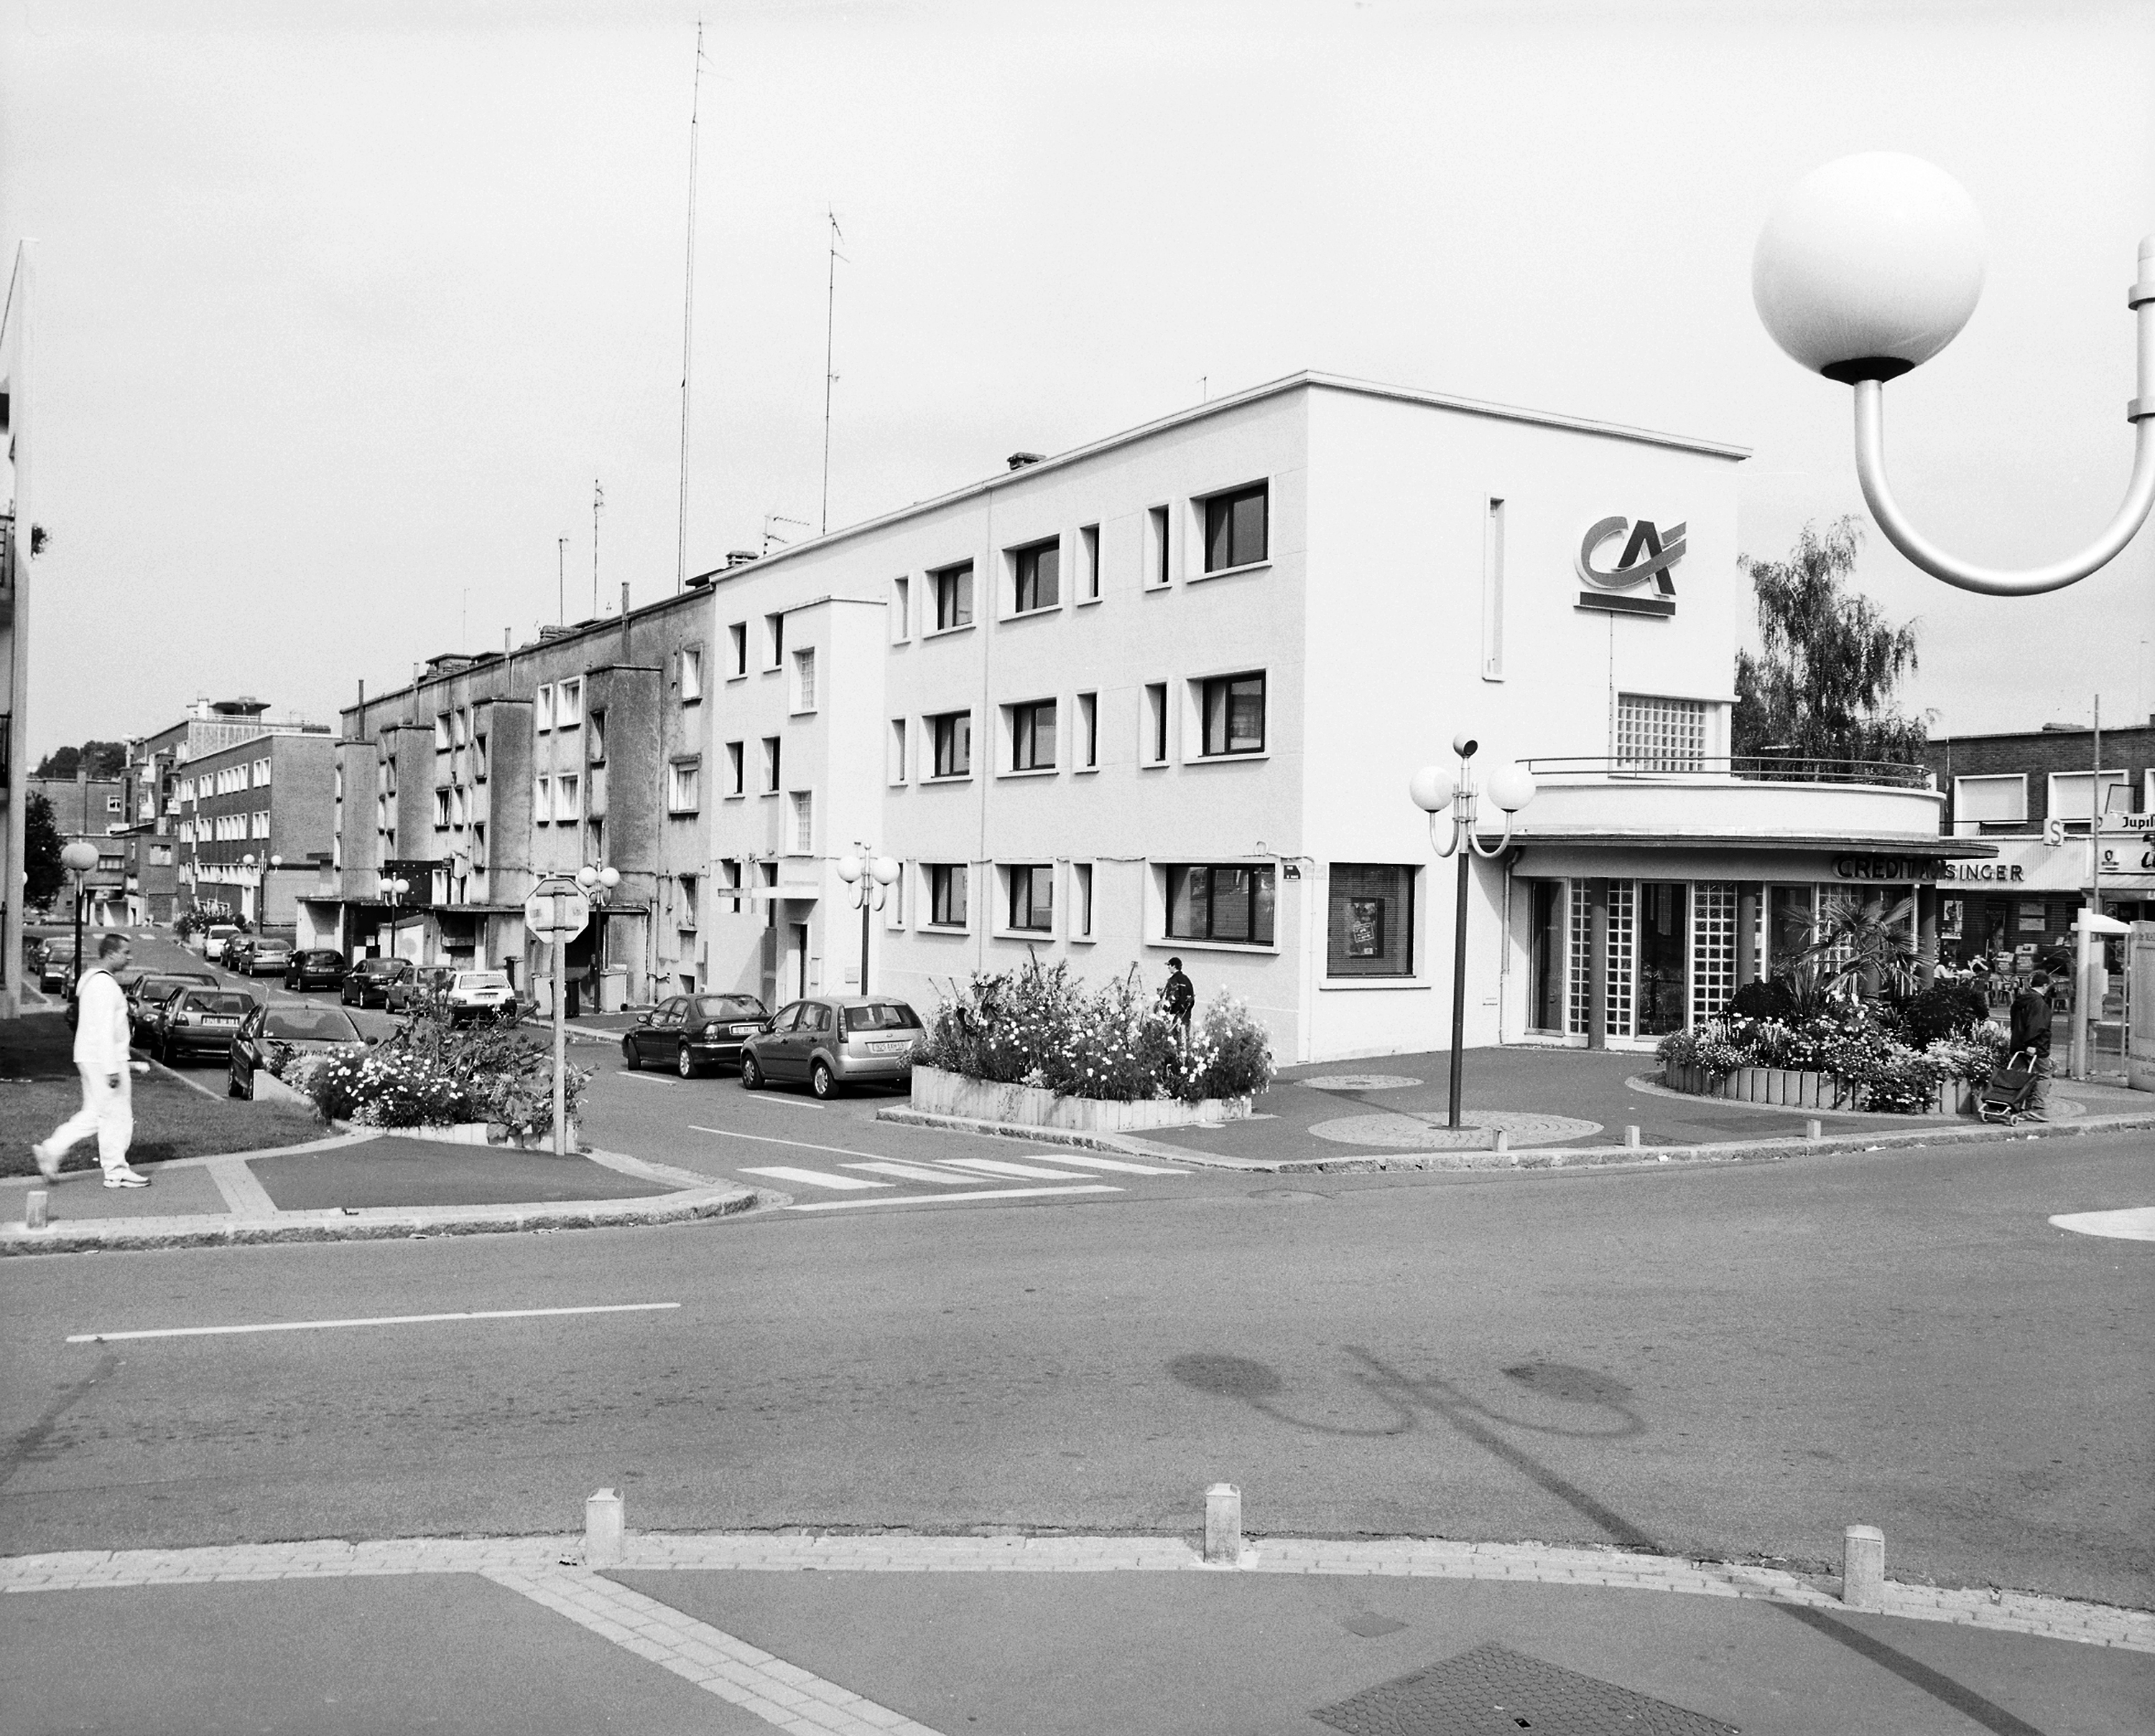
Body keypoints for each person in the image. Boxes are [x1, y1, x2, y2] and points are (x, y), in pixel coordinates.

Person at [33, 933, 150, 1188]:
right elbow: (105, 1029)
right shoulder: (105, 985)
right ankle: (116, 1170)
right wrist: (112, 1069)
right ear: (110, 953)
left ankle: (52, 1150)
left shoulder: (92, 982)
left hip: (89, 1055)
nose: (129, 958)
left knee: (95, 1114)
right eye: (125, 953)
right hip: (105, 1059)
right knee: (117, 1115)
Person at [2007, 968, 2055, 1122]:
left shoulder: (2020, 1000)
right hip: (2035, 1046)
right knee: (2043, 1075)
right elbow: (2037, 1025)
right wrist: (2033, 1044)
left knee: (2021, 1075)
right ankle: (2037, 1108)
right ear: (2045, 986)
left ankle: (2018, 1107)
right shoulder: (2039, 1003)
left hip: (2017, 1043)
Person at [1161, 956, 1195, 1043]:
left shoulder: (1174, 980)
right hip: (1186, 1014)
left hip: (1176, 1015)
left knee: (1174, 1040)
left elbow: (1172, 998)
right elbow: (1191, 998)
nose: (1168, 967)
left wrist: (1165, 1011)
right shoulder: (1186, 980)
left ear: (1174, 966)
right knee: (1184, 1039)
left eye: (1169, 965)